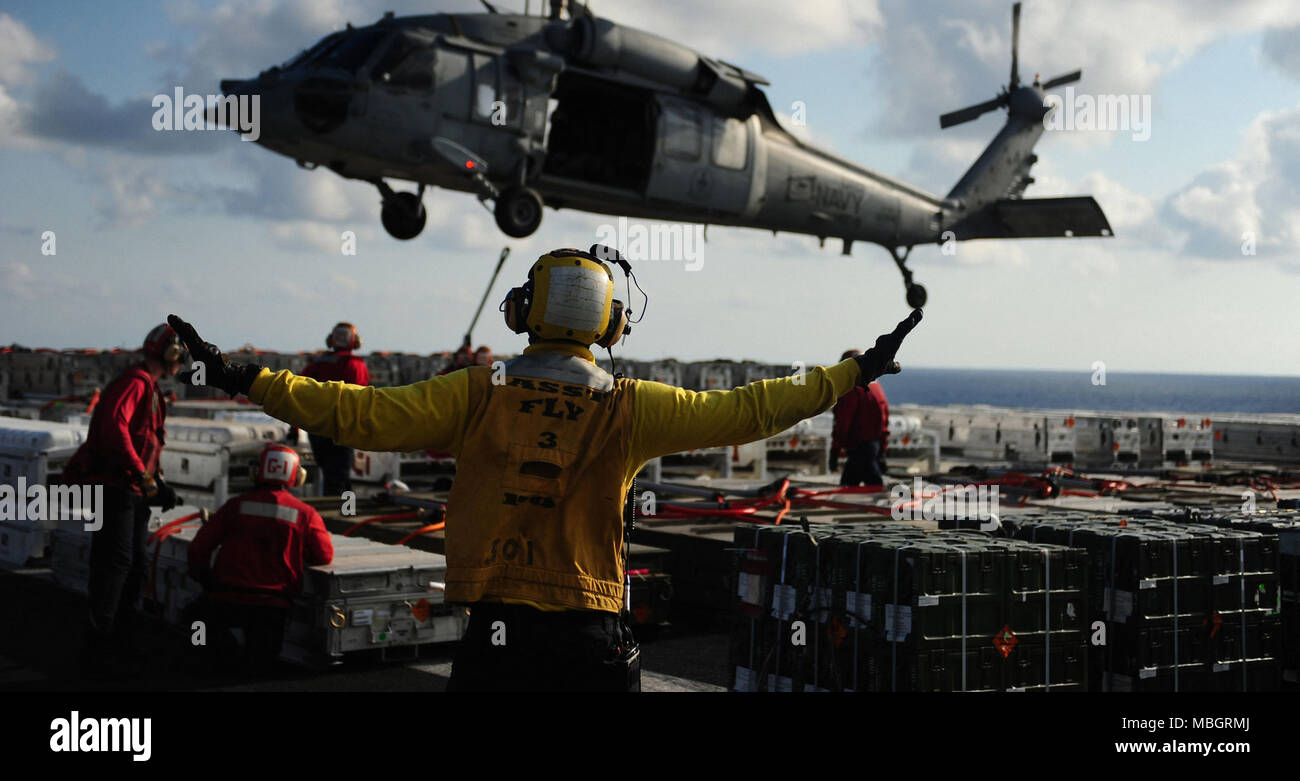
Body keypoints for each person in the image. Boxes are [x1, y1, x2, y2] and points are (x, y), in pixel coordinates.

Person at [167, 246, 922, 692]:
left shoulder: (476, 393)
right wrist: (853, 371)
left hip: (499, 636)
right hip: (591, 638)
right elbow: (752, 409)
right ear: (611, 325)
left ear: (524, 312)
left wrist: (246, 376)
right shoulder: (633, 407)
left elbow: (354, 413)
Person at [65, 323, 183, 677]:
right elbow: (115, 430)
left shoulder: (148, 387)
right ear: (171, 354)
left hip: (130, 490)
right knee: (113, 568)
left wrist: (155, 483)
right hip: (115, 489)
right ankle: (97, 649)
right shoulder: (136, 383)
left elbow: (142, 440)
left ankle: (122, 642)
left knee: (133, 568)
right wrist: (143, 477)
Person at [187, 443, 334, 672]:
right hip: (272, 606)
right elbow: (324, 555)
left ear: (256, 472)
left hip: (226, 597)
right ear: (298, 477)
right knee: (260, 667)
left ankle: (210, 655)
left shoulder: (235, 506)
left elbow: (198, 549)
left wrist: (205, 579)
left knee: (196, 623)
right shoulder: (305, 514)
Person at [300, 323, 370, 496]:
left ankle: (348, 512)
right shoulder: (356, 365)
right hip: (342, 428)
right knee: (338, 481)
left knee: (336, 477)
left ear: (331, 340)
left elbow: (299, 391)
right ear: (355, 341)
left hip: (317, 429)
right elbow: (361, 397)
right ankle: (340, 516)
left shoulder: (316, 363)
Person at [831, 348, 891, 486]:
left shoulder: (851, 390)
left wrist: (835, 450)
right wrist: (882, 450)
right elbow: (884, 419)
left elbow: (842, 422)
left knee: (856, 487)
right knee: (863, 485)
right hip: (873, 446)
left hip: (858, 447)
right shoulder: (876, 388)